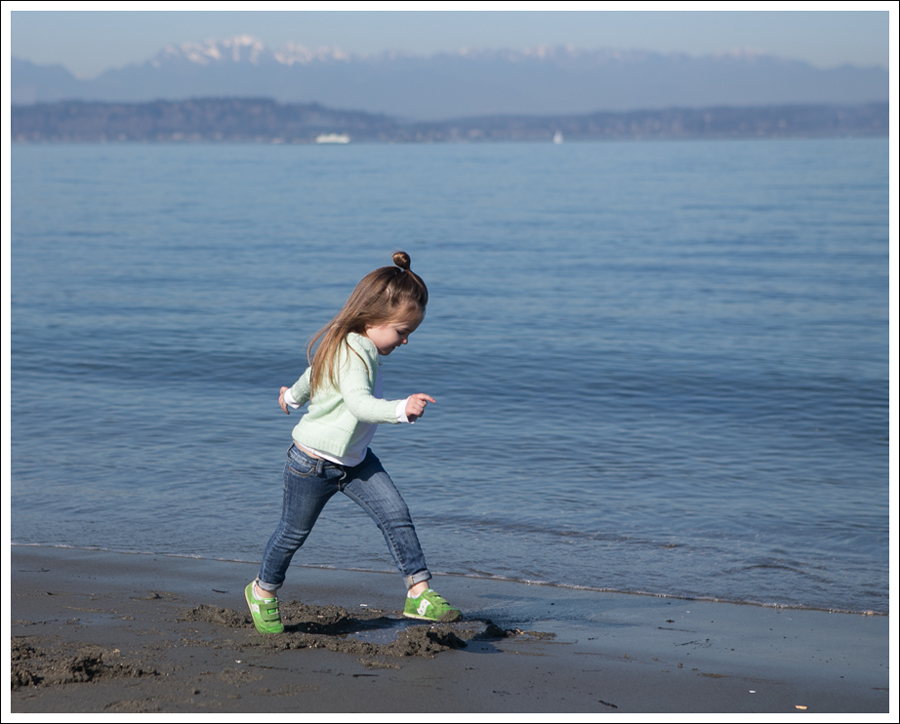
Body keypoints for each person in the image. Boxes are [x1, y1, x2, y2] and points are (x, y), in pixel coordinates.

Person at [245, 251, 461, 634]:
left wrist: (291, 398)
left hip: (356, 461)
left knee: (396, 515)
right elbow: (359, 405)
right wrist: (400, 409)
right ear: (374, 319)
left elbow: (313, 377)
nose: (406, 340)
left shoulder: (351, 343)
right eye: (401, 331)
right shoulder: (351, 351)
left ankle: (419, 592)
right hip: (312, 464)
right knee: (292, 533)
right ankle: (262, 591)